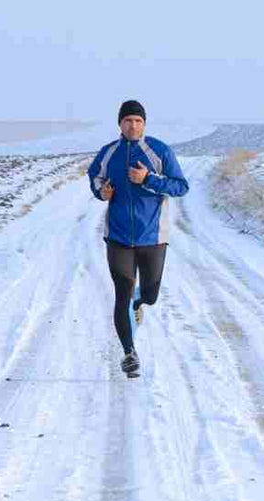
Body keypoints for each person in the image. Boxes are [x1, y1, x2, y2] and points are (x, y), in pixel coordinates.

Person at [88, 100, 189, 376]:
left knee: (150, 295)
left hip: (153, 237)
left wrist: (148, 179)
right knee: (121, 292)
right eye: (128, 120)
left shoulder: (159, 150)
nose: (133, 125)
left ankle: (139, 303)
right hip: (118, 237)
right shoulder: (109, 153)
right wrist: (102, 193)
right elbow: (95, 178)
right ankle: (129, 353)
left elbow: (181, 186)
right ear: (119, 124)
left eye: (138, 121)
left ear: (144, 124)